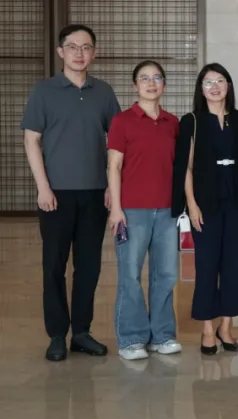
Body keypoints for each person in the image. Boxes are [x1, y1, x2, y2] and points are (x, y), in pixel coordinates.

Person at [21, 24, 121, 361]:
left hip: (95, 194)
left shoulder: (104, 92)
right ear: (61, 51)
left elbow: (117, 144)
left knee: (89, 266)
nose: (80, 53)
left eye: (86, 47)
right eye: (73, 47)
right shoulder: (44, 92)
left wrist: (111, 187)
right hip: (56, 195)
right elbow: (31, 140)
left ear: (94, 53)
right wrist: (43, 187)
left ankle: (81, 332)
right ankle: (56, 335)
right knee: (54, 265)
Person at [173, 63, 238, 355]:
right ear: (201, 88)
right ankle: (207, 328)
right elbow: (186, 167)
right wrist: (191, 204)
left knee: (233, 265)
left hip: (236, 199)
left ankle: (226, 326)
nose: (215, 87)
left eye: (220, 81)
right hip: (205, 200)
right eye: (208, 82)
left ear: (228, 86)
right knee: (206, 266)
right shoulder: (191, 120)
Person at [106, 61, 181, 360]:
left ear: (164, 85)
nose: (151, 83)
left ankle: (162, 335)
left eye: (157, 78)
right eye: (144, 78)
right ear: (135, 85)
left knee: (166, 274)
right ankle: (131, 339)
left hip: (167, 212)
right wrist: (116, 208)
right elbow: (114, 166)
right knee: (130, 275)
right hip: (132, 211)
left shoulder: (173, 123)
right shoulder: (122, 121)